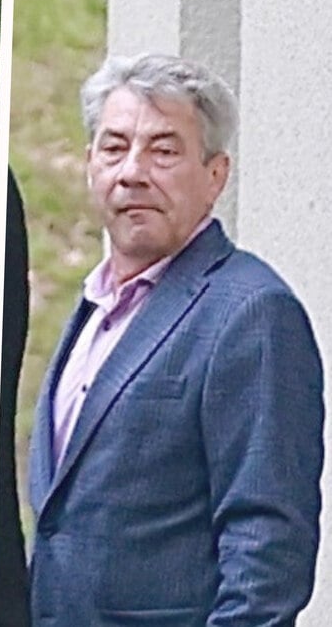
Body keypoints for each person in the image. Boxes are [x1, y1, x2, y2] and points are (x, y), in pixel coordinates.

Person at [28, 54, 324, 625]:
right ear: (90, 163)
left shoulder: (252, 313)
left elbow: (267, 556)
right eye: (114, 148)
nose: (133, 171)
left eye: (164, 151)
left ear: (216, 175)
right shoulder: (96, 307)